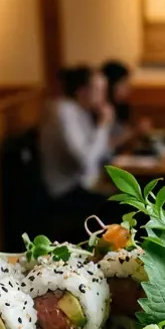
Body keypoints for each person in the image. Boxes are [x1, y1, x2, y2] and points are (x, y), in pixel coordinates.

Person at [38, 66, 114, 226]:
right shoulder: (63, 111)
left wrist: (104, 125)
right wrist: (102, 125)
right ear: (81, 91)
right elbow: (84, 163)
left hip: (81, 184)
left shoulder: (82, 111)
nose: (103, 97)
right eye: (98, 90)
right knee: (120, 205)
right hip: (63, 192)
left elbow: (104, 153)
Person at [100, 59, 152, 153]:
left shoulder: (122, 106)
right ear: (111, 84)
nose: (128, 88)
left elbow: (126, 143)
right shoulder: (100, 110)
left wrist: (138, 133)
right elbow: (104, 146)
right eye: (124, 84)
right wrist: (135, 131)